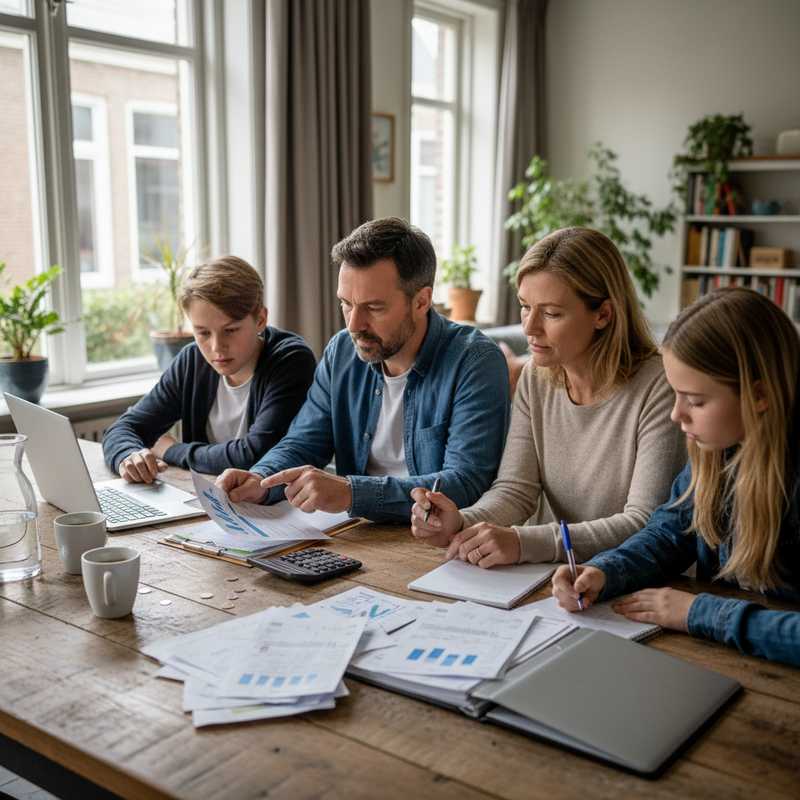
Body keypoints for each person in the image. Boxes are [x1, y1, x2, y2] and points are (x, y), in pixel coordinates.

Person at [553, 287, 800, 667]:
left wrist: (697, 612)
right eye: (676, 395)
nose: (676, 415)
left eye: (696, 401)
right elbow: (671, 533)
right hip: (720, 660)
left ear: (760, 395)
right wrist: (605, 571)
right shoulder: (719, 449)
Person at [410, 226, 686, 566]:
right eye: (526, 307)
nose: (529, 327)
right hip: (561, 577)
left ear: (603, 314)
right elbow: (515, 489)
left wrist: (525, 543)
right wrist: (462, 522)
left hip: (637, 581)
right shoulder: (537, 377)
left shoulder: (660, 386)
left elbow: (643, 522)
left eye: (552, 313)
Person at [215, 217, 510, 523]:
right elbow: (303, 442)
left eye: (374, 308)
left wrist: (351, 493)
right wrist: (260, 480)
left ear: (421, 301)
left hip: (440, 541)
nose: (354, 324)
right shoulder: (342, 351)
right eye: (346, 303)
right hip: (358, 534)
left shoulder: (475, 361)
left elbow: (466, 483)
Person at [103, 256, 316, 482]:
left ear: (261, 319)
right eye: (203, 333)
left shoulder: (292, 360)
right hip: (207, 498)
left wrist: (169, 450)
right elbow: (123, 428)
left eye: (231, 330)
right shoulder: (192, 360)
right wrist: (129, 457)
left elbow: (254, 455)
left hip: (278, 506)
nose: (216, 347)